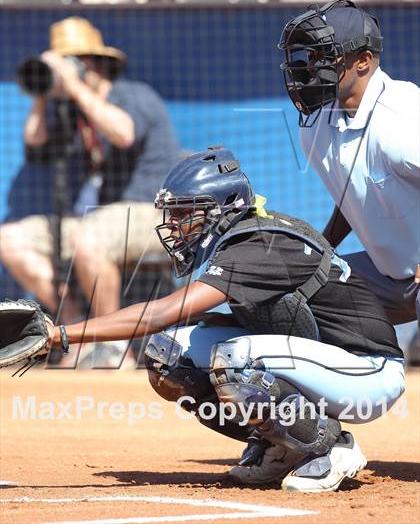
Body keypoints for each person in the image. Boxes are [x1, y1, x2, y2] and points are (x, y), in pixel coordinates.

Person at [46, 147, 405, 492]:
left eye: (185, 213)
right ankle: (283, 444)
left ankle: (331, 445)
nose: (174, 225)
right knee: (168, 354)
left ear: (224, 209)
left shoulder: (256, 246)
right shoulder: (241, 240)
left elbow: (161, 312)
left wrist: (61, 334)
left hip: (367, 372)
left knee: (235, 360)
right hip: (324, 359)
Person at [0, 17, 180, 338]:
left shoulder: (132, 95)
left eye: (72, 62)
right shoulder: (70, 111)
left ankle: (107, 342)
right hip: (99, 220)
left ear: (94, 63)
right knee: (10, 239)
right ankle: (72, 326)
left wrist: (75, 87)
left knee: (91, 237)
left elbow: (123, 134)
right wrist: (43, 92)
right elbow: (35, 146)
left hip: (153, 213)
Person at [277, 0, 420, 334]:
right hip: (388, 277)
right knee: (289, 299)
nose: (312, 68)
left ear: (363, 61)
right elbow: (354, 194)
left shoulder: (402, 116)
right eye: (310, 57)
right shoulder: (317, 127)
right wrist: (322, 249)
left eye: (325, 57)